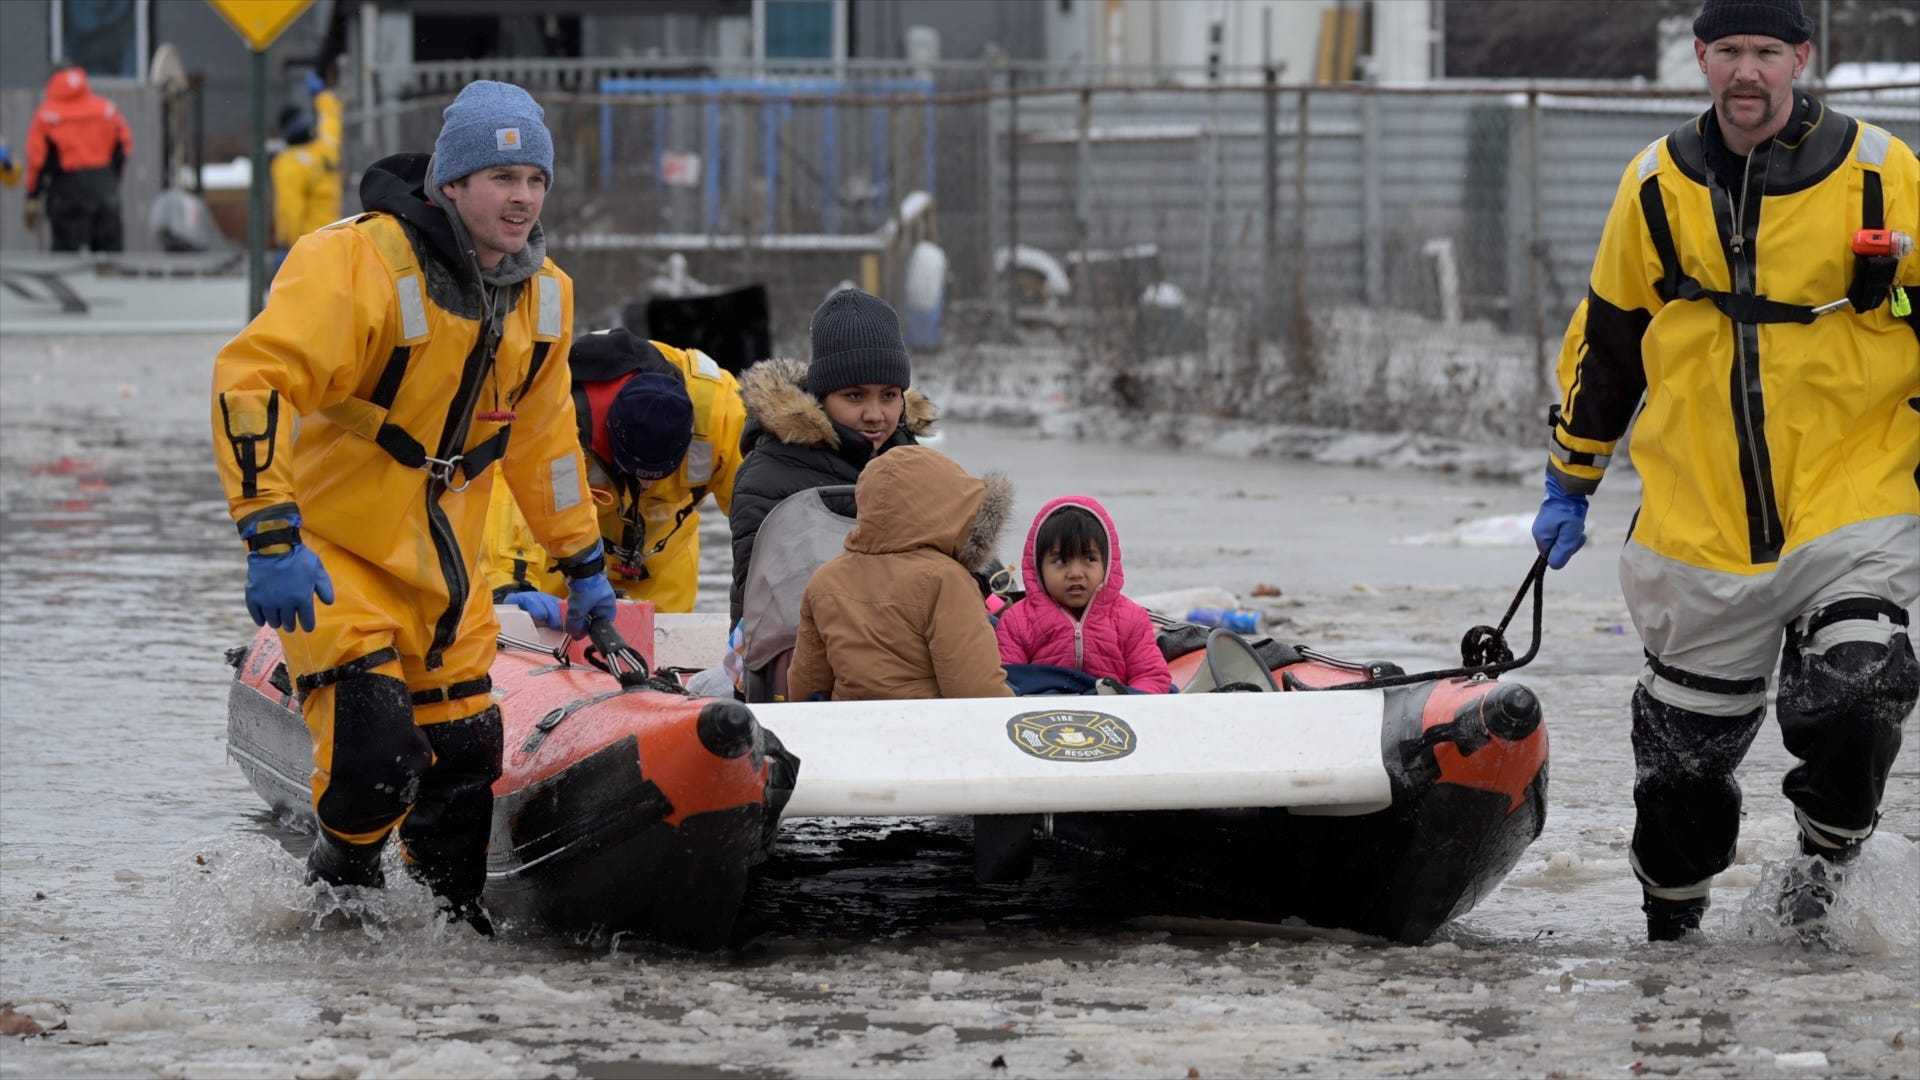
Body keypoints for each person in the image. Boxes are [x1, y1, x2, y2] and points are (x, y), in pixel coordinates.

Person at [1529, 0, 1919, 943]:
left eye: (1768, 53)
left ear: (1800, 59)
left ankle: (1823, 869)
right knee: (1680, 775)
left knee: (1863, 690)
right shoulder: (1656, 184)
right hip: (1697, 518)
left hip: (1853, 493)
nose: (1749, 72)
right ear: (1701, 58)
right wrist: (1570, 479)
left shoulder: (1883, 171)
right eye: (1730, 52)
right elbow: (1611, 341)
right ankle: (1675, 935)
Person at [210, 80, 616, 933]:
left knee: (466, 760)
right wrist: (269, 532)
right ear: (452, 184)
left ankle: (445, 942)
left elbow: (547, 448)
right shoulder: (353, 263)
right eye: (502, 177)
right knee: (374, 742)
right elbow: (254, 381)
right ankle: (340, 903)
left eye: (535, 180)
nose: (522, 198)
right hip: (335, 556)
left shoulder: (545, 298)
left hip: (446, 575)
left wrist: (584, 566)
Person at [481, 326, 746, 615]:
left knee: (661, 647)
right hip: (560, 560)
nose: (644, 485)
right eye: (637, 473)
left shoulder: (720, 412)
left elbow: (758, 508)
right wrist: (511, 580)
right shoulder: (557, 414)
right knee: (547, 629)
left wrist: (763, 605)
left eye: (654, 478)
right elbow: (509, 486)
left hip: (661, 565)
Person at [728, 289, 937, 626]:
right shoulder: (765, 475)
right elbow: (768, 597)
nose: (875, 414)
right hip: (797, 650)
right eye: (855, 396)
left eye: (889, 396)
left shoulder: (914, 463)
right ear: (822, 397)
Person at [787, 446, 1013, 702]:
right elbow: (975, 690)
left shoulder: (825, 579)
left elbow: (806, 686)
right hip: (927, 729)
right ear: (948, 509)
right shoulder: (945, 579)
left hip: (850, 727)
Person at [995, 498, 1174, 694]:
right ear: (1038, 568)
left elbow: (1151, 675)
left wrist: (1127, 703)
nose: (1075, 573)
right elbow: (1007, 680)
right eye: (1061, 561)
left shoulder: (1132, 619)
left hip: (1113, 712)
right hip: (1044, 714)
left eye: (1090, 559)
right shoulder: (1016, 621)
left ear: (1107, 564)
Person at [23, 63, 132, 252]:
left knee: (66, 259)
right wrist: (111, 180)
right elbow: (123, 147)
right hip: (104, 186)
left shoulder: (47, 115)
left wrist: (32, 196)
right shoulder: (106, 109)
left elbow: (37, 160)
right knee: (110, 261)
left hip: (66, 190)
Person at [271, 106, 337, 252]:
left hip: (307, 244)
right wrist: (324, 97)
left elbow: (291, 208)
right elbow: (331, 126)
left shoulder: (288, 162)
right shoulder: (323, 153)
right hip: (332, 237)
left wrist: (291, 244)